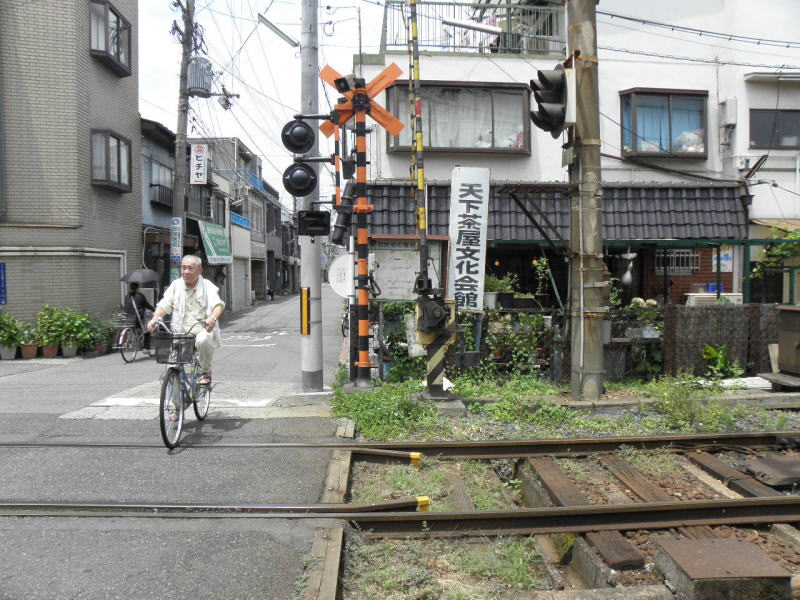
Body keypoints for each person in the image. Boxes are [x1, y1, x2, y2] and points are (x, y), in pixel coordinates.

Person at [147, 255, 225, 385]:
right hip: (180, 332)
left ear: (199, 270)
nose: (186, 271)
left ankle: (205, 371)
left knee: (204, 340)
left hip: (202, 329)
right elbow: (164, 304)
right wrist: (155, 318)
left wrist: (212, 318)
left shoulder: (207, 286)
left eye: (190, 268)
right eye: (183, 268)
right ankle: (175, 395)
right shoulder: (176, 285)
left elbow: (218, 305)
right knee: (172, 367)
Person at [124, 283, 154, 351]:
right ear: (137, 288)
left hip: (129, 319)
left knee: (136, 328)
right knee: (147, 330)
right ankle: (146, 348)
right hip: (138, 318)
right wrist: (155, 310)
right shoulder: (140, 296)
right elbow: (147, 305)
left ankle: (137, 342)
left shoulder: (127, 296)